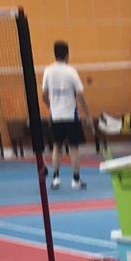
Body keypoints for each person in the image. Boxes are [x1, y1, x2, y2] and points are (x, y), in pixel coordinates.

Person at [41, 41, 90, 190]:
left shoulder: (48, 71)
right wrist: (87, 114)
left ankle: (56, 178)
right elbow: (80, 94)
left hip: (56, 116)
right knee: (74, 148)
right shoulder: (71, 71)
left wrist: (52, 107)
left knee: (57, 146)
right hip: (71, 115)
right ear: (67, 55)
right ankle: (76, 180)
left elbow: (43, 95)